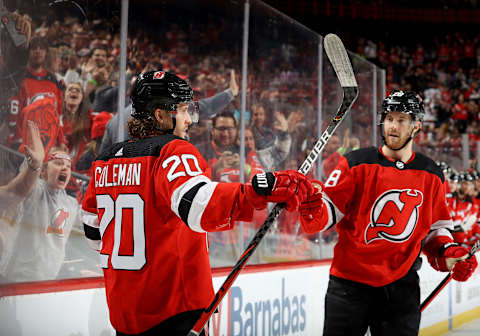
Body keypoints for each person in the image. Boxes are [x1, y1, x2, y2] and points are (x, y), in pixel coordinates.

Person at [81, 70, 313, 335]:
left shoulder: (105, 161)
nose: (190, 119)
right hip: (173, 312)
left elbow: (93, 235)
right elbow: (198, 205)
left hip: (125, 315)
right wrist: (257, 191)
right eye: (182, 110)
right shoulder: (172, 150)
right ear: (160, 115)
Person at [297, 90, 478, 336]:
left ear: (416, 126)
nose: (393, 126)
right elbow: (326, 214)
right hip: (349, 286)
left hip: (401, 289)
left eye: (402, 120)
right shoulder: (355, 163)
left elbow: (435, 230)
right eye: (390, 118)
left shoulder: (431, 173)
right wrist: (311, 208)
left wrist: (448, 252)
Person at [0, 121, 82, 282]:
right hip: (15, 277)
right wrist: (34, 166)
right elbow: (21, 188)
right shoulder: (35, 189)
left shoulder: (71, 204)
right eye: (58, 163)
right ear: (44, 171)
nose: (64, 168)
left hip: (47, 281)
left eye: (68, 166)